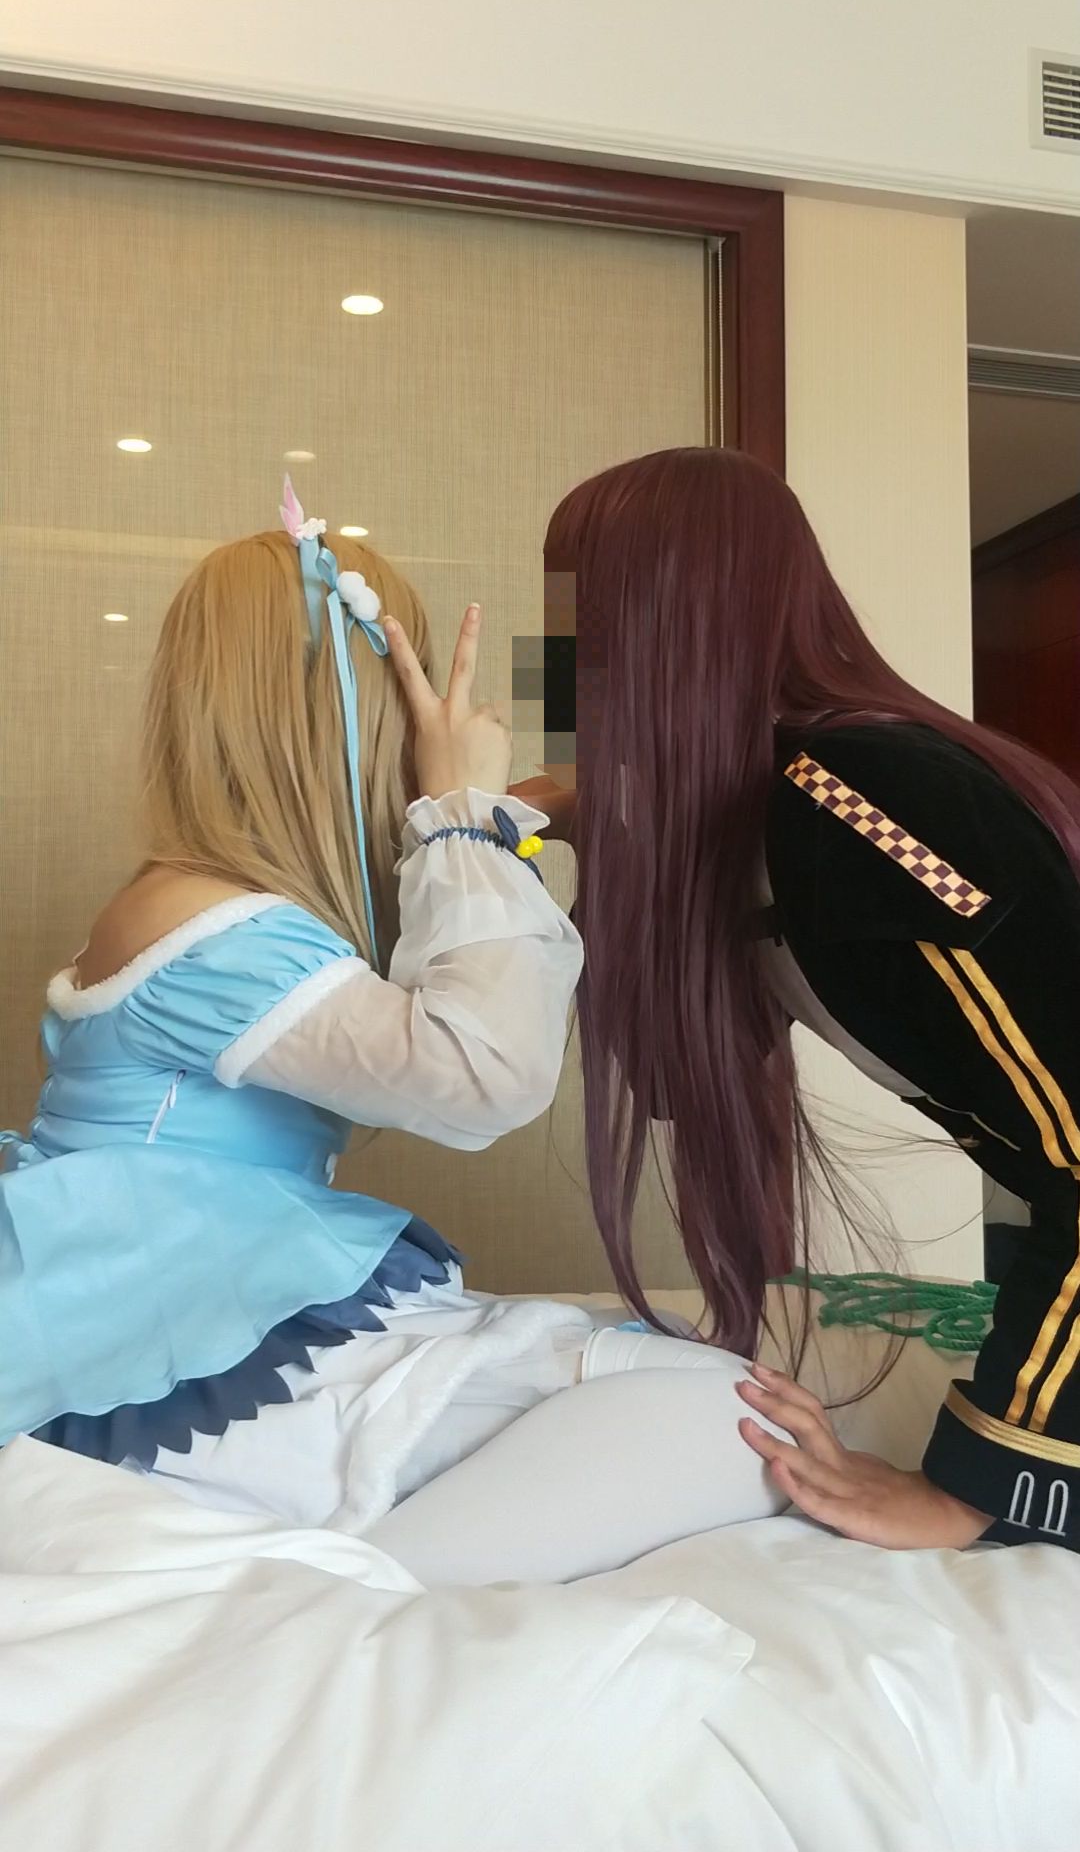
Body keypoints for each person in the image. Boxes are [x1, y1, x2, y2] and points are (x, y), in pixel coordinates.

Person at [0, 482, 800, 1587]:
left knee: (720, 1398)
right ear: (357, 709)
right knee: (743, 1424)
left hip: (194, 1302)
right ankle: (337, 1604)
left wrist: (517, 807)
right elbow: (487, 1074)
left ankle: (351, 1589)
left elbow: (454, 937)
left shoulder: (200, 906)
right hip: (166, 1341)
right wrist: (462, 811)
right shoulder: (211, 929)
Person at [514, 444, 1080, 1557]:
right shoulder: (757, 828)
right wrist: (600, 831)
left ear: (672, 628)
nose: (560, 669)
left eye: (581, 626)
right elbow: (679, 1083)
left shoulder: (860, 803)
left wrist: (981, 1486)